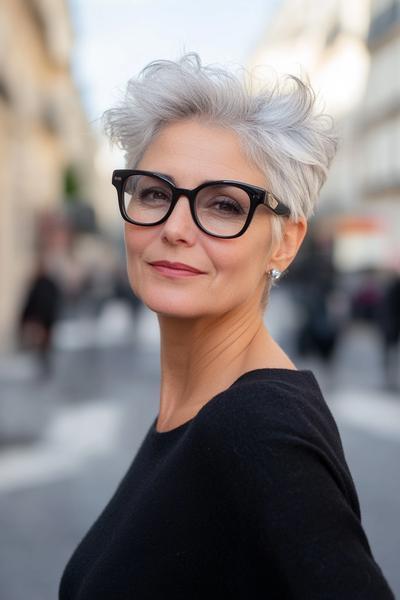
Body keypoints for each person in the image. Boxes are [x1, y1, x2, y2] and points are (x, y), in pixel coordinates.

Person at [59, 54, 395, 599]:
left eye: (222, 205)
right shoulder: (204, 412)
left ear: (285, 241)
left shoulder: (258, 431)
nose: (174, 228)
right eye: (154, 193)